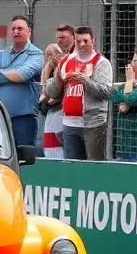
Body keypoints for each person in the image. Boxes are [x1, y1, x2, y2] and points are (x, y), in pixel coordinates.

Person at [45, 26, 112, 161]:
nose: (82, 44)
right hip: (69, 123)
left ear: (93, 41)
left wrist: (85, 81)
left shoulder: (101, 63)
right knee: (72, 165)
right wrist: (58, 79)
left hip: (93, 123)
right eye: (78, 41)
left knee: (94, 165)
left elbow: (106, 92)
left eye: (85, 41)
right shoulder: (66, 61)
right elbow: (51, 91)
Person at [0, 16, 44, 148]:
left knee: (23, 160)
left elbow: (23, 75)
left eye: (20, 28)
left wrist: (1, 75)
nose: (16, 32)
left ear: (29, 31)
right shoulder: (1, 54)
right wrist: (13, 73)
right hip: (1, 118)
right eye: (13, 29)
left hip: (24, 119)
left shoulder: (36, 55)